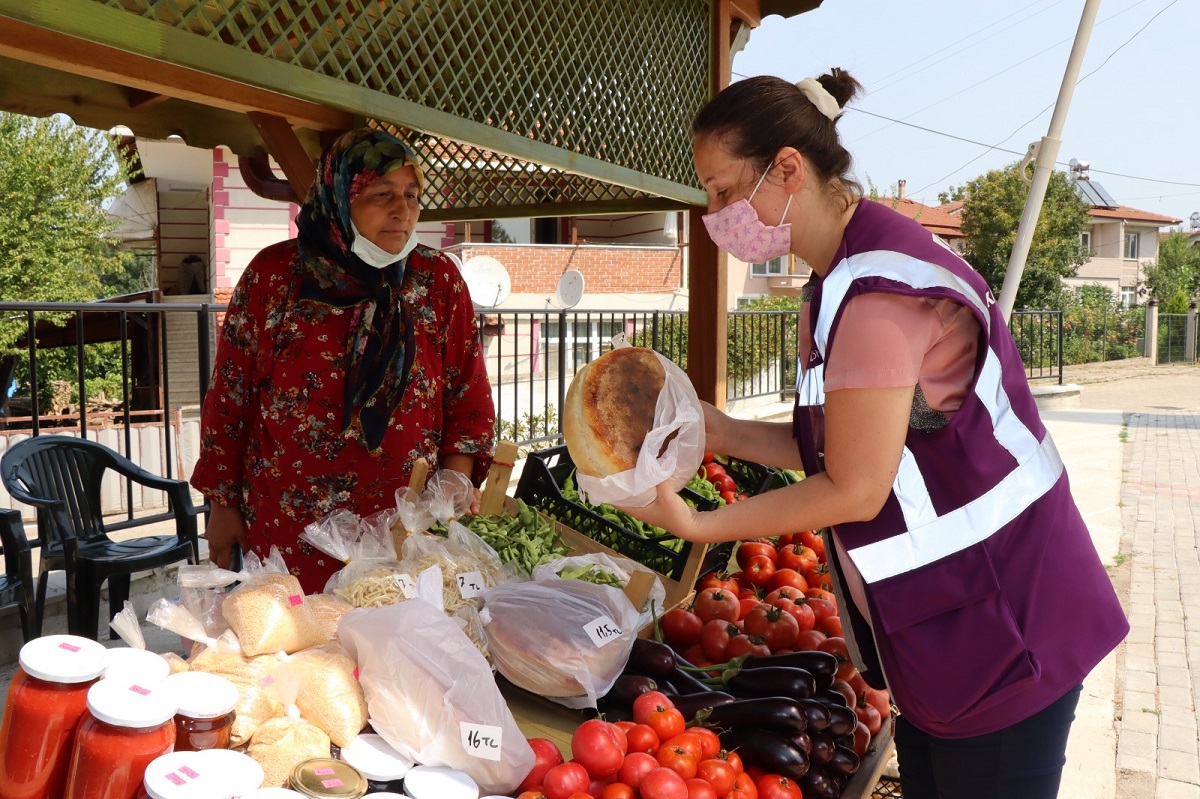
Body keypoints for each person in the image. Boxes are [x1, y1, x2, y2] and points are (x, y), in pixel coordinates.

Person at [619, 72, 1129, 799]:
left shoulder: (877, 296)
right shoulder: (837, 279)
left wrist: (699, 520)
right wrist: (718, 430)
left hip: (1007, 626)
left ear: (788, 168)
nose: (715, 214)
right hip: (949, 632)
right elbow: (840, 445)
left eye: (725, 191)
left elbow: (854, 487)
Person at [191, 128, 495, 593]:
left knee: (389, 649)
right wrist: (222, 504)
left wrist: (454, 486)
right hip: (291, 528)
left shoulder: (437, 282)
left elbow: (466, 396)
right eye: (382, 194)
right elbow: (230, 397)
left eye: (412, 195)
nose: (403, 211)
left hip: (404, 528)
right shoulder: (276, 277)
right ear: (339, 197)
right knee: (300, 651)